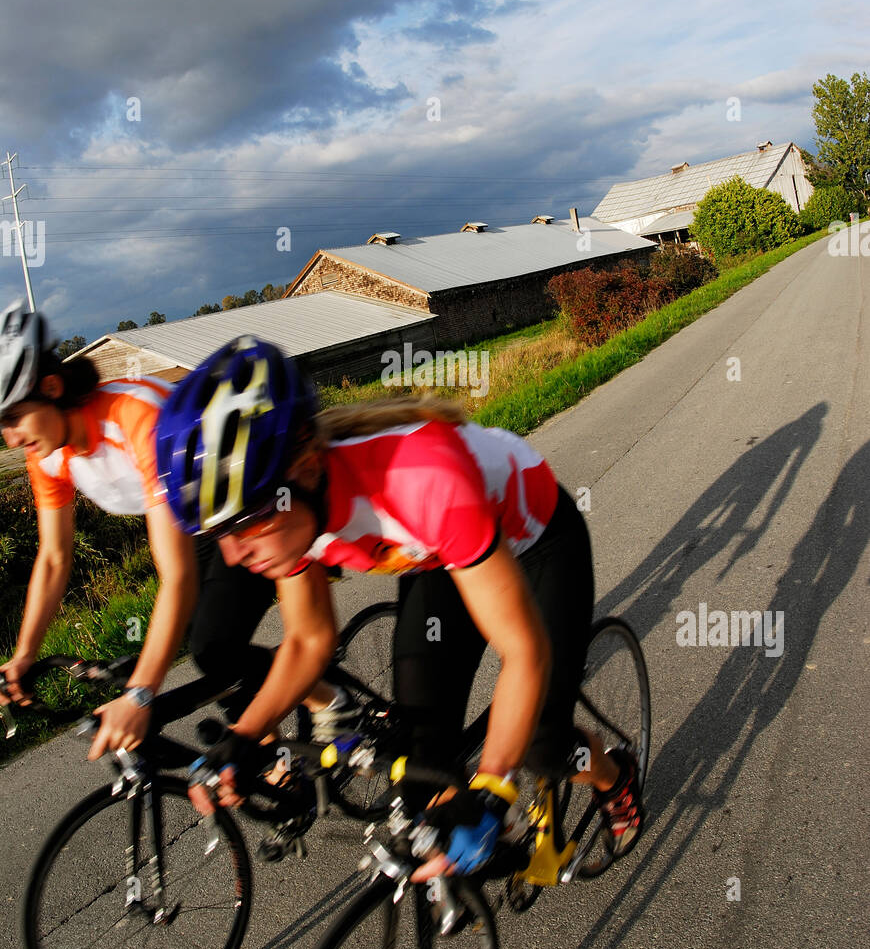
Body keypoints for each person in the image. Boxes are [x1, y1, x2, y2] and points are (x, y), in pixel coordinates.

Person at [158, 333, 644, 877]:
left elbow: (523, 653)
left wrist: (490, 788)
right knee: (421, 770)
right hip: (438, 558)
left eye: (245, 521)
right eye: (217, 532)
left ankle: (612, 775)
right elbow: (308, 640)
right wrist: (244, 738)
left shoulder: (419, 477)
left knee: (542, 747)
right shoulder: (297, 518)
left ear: (306, 470)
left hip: (538, 542)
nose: (234, 553)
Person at [0, 301, 341, 756]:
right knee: (200, 651)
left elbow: (176, 577)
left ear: (51, 386)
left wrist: (142, 694)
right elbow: (54, 558)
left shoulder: (131, 416)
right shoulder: (47, 453)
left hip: (228, 511)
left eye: (13, 417)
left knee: (214, 648)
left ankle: (324, 699)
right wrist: (24, 654)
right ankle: (266, 744)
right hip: (183, 519)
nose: (12, 437)